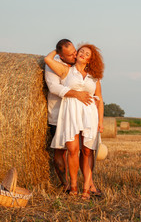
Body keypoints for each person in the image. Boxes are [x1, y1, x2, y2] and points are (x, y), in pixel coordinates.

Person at [45, 43, 104, 200]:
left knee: (87, 150)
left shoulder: (94, 76)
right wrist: (60, 50)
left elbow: (100, 99)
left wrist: (101, 121)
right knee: (72, 149)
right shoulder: (66, 70)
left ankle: (86, 189)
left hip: (89, 114)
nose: (83, 54)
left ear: (91, 60)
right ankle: (73, 186)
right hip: (71, 112)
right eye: (81, 51)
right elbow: (47, 59)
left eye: (87, 54)